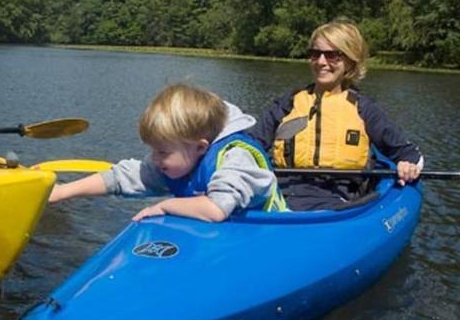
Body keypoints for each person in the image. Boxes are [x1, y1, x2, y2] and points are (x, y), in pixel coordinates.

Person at [249, 19, 424, 211]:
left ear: (350, 61)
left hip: (336, 197)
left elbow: (408, 154)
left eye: (332, 55)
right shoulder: (287, 104)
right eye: (315, 54)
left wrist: (408, 166)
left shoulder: (364, 109)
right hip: (281, 192)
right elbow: (250, 145)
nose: (321, 62)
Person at [49, 83, 286, 222]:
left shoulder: (235, 159)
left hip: (274, 233)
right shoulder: (180, 156)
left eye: (161, 151)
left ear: (201, 147)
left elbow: (215, 210)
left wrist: (163, 207)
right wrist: (62, 192)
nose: (154, 158)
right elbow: (123, 178)